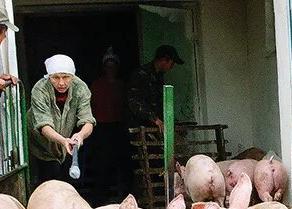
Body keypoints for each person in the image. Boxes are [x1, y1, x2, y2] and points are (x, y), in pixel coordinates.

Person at [27, 54, 96, 184]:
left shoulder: (80, 88)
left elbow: (87, 120)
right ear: (49, 76)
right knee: (46, 181)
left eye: (66, 77)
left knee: (67, 182)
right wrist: (62, 140)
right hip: (40, 142)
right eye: (56, 77)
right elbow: (43, 125)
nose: (61, 83)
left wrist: (80, 135)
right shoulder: (40, 89)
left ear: (73, 76)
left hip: (66, 141)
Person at [90, 47, 131, 199]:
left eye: (113, 66)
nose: (111, 69)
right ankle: (100, 199)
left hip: (118, 126)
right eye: (108, 66)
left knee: (124, 162)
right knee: (102, 163)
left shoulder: (121, 85)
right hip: (101, 127)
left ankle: (126, 196)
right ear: (104, 68)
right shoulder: (96, 85)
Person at [127, 45, 183, 130]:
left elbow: (159, 103)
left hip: (155, 128)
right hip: (142, 128)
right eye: (171, 64)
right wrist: (155, 119)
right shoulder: (140, 75)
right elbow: (135, 102)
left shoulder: (158, 77)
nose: (172, 67)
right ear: (164, 60)